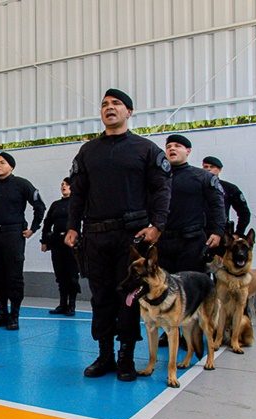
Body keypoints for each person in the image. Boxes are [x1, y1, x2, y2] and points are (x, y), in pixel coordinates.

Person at [65, 88, 172, 382]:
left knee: (127, 297)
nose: (109, 108)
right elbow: (78, 193)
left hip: (131, 239)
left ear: (129, 112)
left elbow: (161, 190)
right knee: (100, 298)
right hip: (96, 237)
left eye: (116, 104)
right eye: (104, 105)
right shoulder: (88, 151)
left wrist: (157, 225)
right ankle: (105, 355)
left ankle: (125, 357)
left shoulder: (146, 150)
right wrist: (73, 226)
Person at [156, 135, 226, 349]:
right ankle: (169, 330)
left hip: (192, 241)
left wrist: (217, 231)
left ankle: (192, 335)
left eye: (177, 146)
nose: (172, 149)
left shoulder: (202, 177)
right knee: (166, 289)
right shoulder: (158, 178)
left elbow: (217, 205)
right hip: (165, 242)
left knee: (191, 289)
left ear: (188, 151)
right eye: (168, 146)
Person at [0, 152, 46, 331]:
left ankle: (14, 316)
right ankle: (2, 313)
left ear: (11, 166)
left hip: (13, 235)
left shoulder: (21, 184)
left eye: (2, 162)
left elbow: (39, 206)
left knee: (14, 277)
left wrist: (33, 228)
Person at [41, 177, 80, 316]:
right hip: (57, 243)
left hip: (72, 245)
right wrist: (44, 241)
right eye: (62, 184)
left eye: (67, 184)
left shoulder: (77, 204)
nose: (64, 186)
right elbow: (47, 223)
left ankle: (72, 305)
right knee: (60, 275)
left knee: (72, 275)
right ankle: (62, 304)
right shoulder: (55, 205)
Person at [202, 156, 251, 235]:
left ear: (219, 169)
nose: (208, 169)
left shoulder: (229, 188)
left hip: (222, 234)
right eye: (205, 167)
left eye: (212, 167)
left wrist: (238, 233)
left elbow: (244, 213)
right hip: (200, 233)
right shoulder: (196, 187)